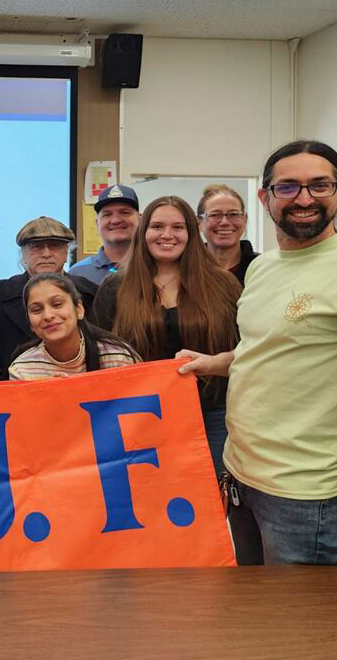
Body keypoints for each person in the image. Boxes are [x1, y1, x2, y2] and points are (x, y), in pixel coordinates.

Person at [178, 140, 337, 565]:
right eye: (288, 187)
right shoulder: (264, 267)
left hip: (306, 494)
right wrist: (213, 363)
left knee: (304, 625)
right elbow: (264, 349)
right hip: (241, 477)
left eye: (319, 185)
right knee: (256, 616)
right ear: (265, 196)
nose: (304, 199)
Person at [91, 196, 241, 478]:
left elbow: (246, 350)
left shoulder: (223, 285)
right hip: (137, 418)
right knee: (149, 504)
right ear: (143, 231)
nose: (167, 235)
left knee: (209, 504)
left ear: (192, 233)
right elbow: (98, 355)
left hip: (211, 417)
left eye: (178, 227)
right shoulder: (116, 287)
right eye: (157, 226)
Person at [0, 217, 98, 380]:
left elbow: (98, 345)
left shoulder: (89, 292)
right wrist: (10, 382)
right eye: (36, 247)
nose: (46, 254)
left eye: (54, 246)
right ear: (23, 254)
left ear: (67, 252)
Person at [8, 272, 140, 380]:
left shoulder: (118, 357)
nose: (48, 315)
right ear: (30, 323)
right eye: (37, 310)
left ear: (79, 309)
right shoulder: (21, 369)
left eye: (57, 304)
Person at [69, 184, 140, 286]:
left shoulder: (156, 266)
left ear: (140, 219)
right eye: (107, 214)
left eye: (124, 212)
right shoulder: (77, 273)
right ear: (97, 223)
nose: (115, 220)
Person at [197, 183, 259, 285]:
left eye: (234, 214)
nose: (225, 222)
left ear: (245, 219)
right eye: (215, 215)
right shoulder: (185, 269)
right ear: (199, 222)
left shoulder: (262, 268)